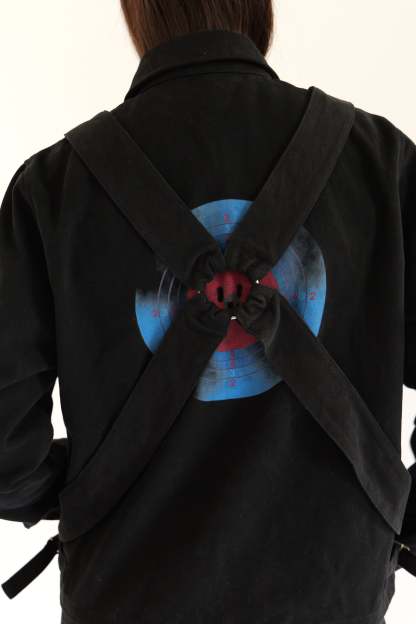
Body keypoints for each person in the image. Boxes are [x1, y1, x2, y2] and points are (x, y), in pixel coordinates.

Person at [0, 1, 416, 623]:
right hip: (334, 593)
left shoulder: (53, 188)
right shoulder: (378, 160)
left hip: (128, 594)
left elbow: (5, 446)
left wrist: (76, 488)